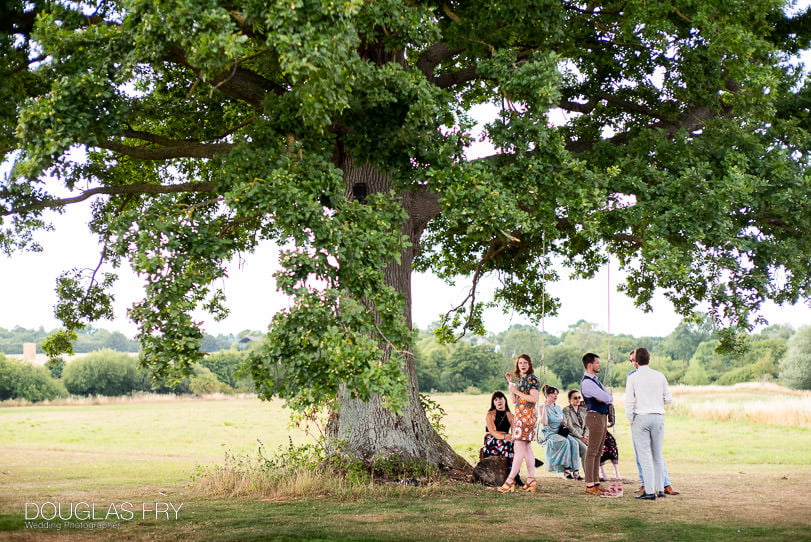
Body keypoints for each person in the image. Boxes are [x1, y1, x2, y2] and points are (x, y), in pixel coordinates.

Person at [627, 350, 681, 496]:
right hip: (658, 417)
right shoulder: (659, 376)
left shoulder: (633, 377)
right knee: (657, 455)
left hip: (641, 417)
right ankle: (660, 490)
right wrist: (656, 401)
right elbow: (668, 399)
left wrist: (631, 420)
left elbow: (629, 402)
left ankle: (649, 491)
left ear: (636, 361)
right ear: (649, 359)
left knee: (644, 456)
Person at [498, 353, 541, 493]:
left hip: (527, 416)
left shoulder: (532, 379)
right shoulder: (522, 380)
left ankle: (510, 480)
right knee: (527, 449)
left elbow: (534, 399)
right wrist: (511, 384)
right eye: (520, 363)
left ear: (529, 365)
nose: (522, 365)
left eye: (525, 363)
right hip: (520, 416)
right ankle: (531, 480)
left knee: (519, 449)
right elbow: (514, 401)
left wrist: (517, 391)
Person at [580, 352, 613, 496]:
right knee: (592, 451)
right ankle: (589, 484)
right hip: (594, 417)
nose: (599, 365)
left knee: (598, 451)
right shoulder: (587, 382)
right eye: (597, 363)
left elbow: (608, 398)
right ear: (590, 365)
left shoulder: (595, 380)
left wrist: (605, 398)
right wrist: (604, 398)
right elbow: (606, 396)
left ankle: (596, 482)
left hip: (601, 417)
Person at [538, 385, 582, 480]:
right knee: (565, 442)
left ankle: (576, 471)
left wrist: (564, 422)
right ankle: (566, 470)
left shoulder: (557, 407)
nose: (555, 396)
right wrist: (545, 407)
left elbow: (562, 419)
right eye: (553, 393)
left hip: (560, 432)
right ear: (547, 394)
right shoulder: (542, 407)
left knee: (574, 443)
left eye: (556, 394)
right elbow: (544, 422)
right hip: (549, 433)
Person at [562, 389, 588, 472]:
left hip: (584, 435)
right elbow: (569, 426)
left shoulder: (583, 410)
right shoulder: (566, 410)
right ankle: (588, 474)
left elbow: (587, 425)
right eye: (575, 398)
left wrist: (585, 436)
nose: (578, 400)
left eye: (579, 397)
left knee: (594, 449)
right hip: (573, 435)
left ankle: (595, 473)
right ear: (570, 400)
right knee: (585, 449)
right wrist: (581, 437)